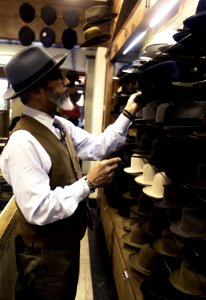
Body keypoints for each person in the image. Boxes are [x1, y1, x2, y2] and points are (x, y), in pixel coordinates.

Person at [0, 45, 142, 300]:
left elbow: (98, 146)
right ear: (36, 92)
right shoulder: (23, 142)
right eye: (58, 77)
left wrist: (129, 111)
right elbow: (38, 209)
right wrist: (88, 182)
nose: (67, 81)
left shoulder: (59, 125)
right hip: (44, 260)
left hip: (64, 247)